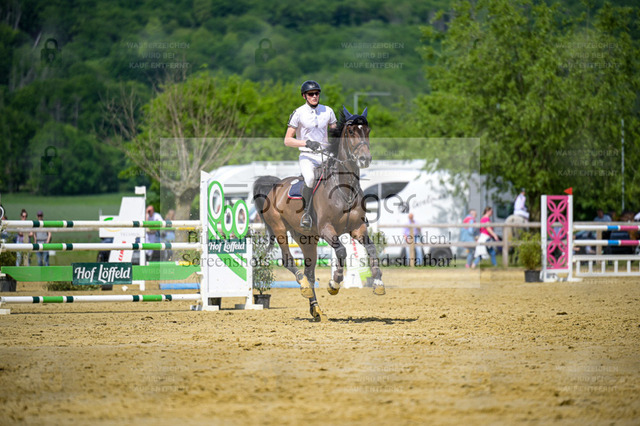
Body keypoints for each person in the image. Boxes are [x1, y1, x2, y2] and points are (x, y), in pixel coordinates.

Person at [284, 80, 337, 230]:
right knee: (310, 179)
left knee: (344, 173)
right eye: (311, 94)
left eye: (317, 93)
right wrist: (306, 143)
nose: (314, 96)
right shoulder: (298, 113)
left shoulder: (328, 111)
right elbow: (287, 140)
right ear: (304, 96)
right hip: (308, 156)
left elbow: (335, 133)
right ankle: (306, 213)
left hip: (326, 155)